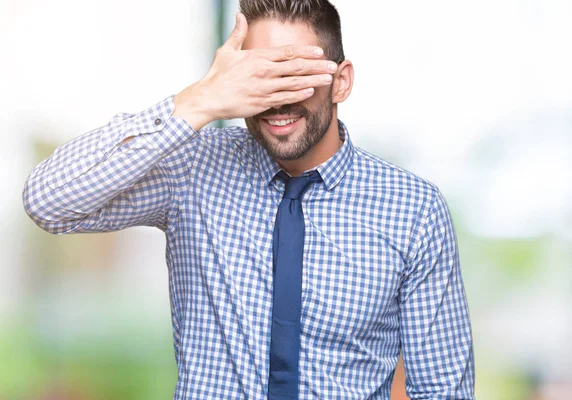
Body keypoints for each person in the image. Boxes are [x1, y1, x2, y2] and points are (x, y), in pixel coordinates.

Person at [22, 0, 475, 398]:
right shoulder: (193, 168)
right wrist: (198, 101)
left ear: (341, 82)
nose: (276, 100)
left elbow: (443, 389)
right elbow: (48, 200)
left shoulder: (413, 210)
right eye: (260, 76)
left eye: (293, 76)